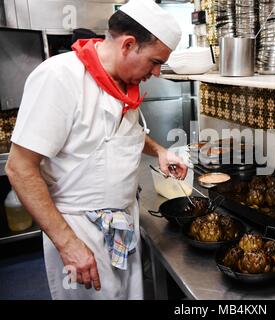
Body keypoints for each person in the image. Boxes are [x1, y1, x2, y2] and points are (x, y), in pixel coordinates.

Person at [5, 0, 187, 300]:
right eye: (155, 62)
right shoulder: (59, 77)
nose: (156, 73)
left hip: (123, 225)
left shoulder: (123, 83)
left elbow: (124, 135)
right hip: (80, 234)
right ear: (128, 45)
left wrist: (161, 152)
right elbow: (20, 168)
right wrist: (68, 244)